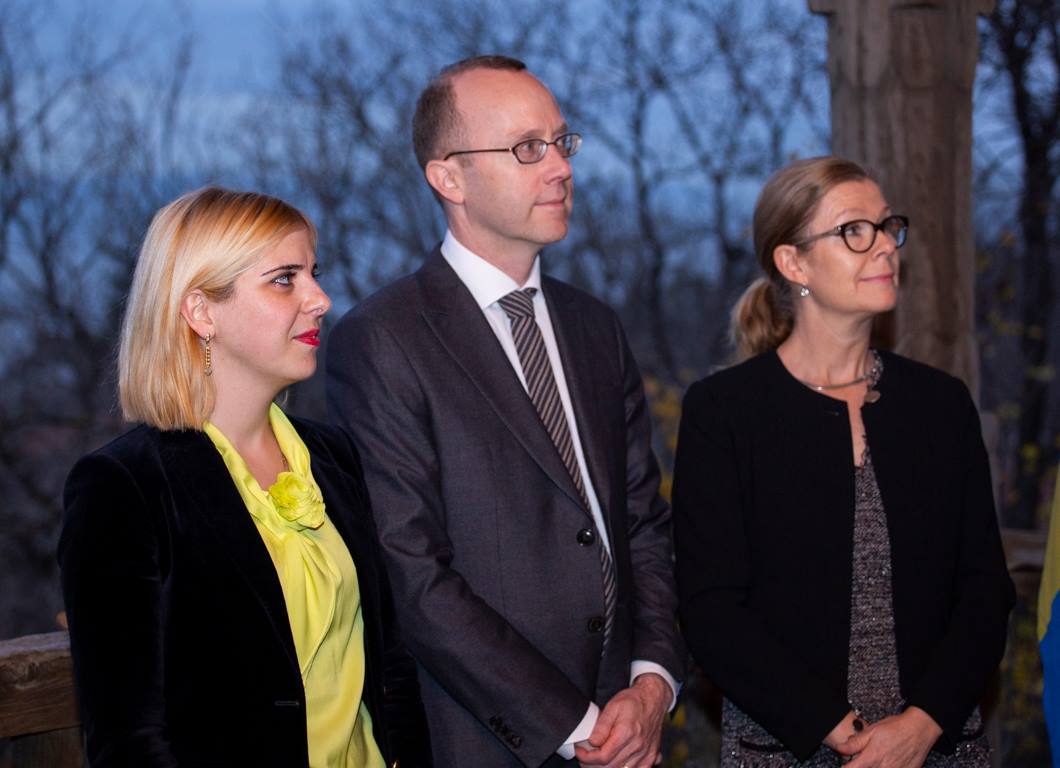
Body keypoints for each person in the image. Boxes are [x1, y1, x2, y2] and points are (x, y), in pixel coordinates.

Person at [326, 55, 685, 768]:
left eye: (561, 142)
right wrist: (575, 724)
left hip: (631, 728)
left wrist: (652, 682)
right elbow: (413, 575)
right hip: (490, 741)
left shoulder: (595, 326)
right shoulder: (384, 338)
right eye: (527, 149)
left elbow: (642, 523)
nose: (561, 168)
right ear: (449, 178)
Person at [58, 187, 430, 768]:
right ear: (201, 311)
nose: (320, 300)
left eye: (313, 274)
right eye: (284, 280)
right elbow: (128, 740)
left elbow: (390, 664)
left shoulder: (331, 455)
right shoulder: (122, 485)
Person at [672, 156, 1016, 767]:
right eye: (854, 230)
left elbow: (985, 592)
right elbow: (712, 611)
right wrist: (839, 730)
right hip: (784, 748)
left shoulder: (940, 403)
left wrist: (919, 727)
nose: (884, 246)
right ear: (794, 262)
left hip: (939, 746)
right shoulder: (723, 411)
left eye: (887, 226)